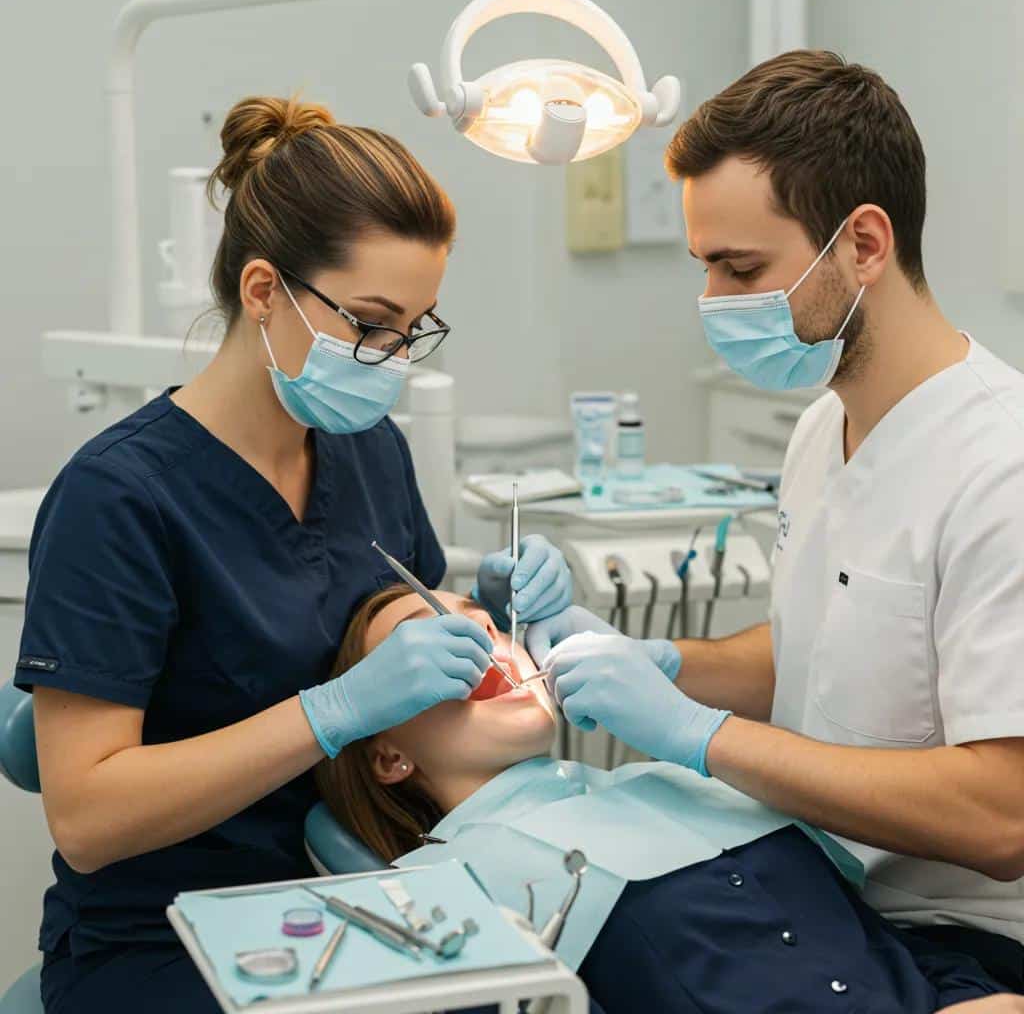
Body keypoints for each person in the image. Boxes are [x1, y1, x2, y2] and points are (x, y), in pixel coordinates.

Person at [14, 95, 572, 1014]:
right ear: (264, 291)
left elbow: (391, 638)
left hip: (357, 888)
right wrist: (334, 711)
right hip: (166, 933)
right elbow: (87, 818)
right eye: (371, 323)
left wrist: (484, 613)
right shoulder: (118, 498)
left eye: (414, 328)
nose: (394, 359)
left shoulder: (370, 450)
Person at [527, 49, 1024, 993]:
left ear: (864, 244)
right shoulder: (822, 428)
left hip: (960, 939)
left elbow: (1005, 815)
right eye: (706, 267)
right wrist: (658, 662)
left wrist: (698, 733)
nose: (714, 302)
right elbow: (824, 645)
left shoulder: (1002, 468)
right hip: (825, 889)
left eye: (742, 267)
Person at [315, 582, 1024, 1014]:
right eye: (429, 645)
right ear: (388, 756)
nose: (480, 641)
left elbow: (884, 942)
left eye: (487, 624)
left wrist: (976, 999)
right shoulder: (437, 896)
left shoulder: (683, 785)